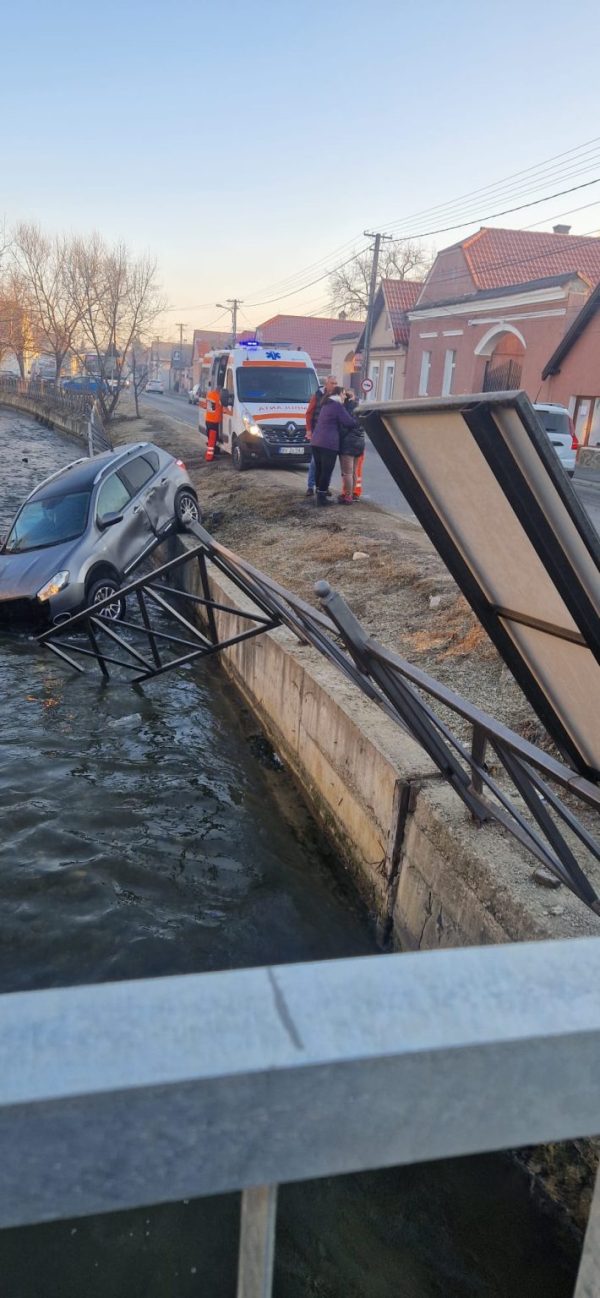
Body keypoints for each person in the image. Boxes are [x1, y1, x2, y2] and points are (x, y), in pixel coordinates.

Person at [310, 386, 360, 506]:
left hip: (316, 441)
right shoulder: (337, 406)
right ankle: (322, 498)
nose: (344, 396)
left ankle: (319, 493)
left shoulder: (326, 404)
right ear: (338, 394)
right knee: (326, 471)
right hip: (328, 443)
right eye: (343, 394)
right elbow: (350, 422)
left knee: (320, 469)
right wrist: (357, 415)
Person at [305, 375, 337, 496]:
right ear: (326, 384)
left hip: (329, 436)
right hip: (317, 434)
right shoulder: (317, 395)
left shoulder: (336, 397)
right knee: (315, 462)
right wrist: (309, 430)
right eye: (332, 383)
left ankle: (324, 487)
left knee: (327, 464)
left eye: (336, 383)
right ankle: (310, 486)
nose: (334, 385)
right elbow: (309, 414)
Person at [338, 392, 365, 503]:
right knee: (353, 472)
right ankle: (352, 494)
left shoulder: (346, 410)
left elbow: (344, 428)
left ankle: (348, 496)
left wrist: (339, 439)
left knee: (347, 472)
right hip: (359, 443)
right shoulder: (359, 410)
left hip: (348, 445)